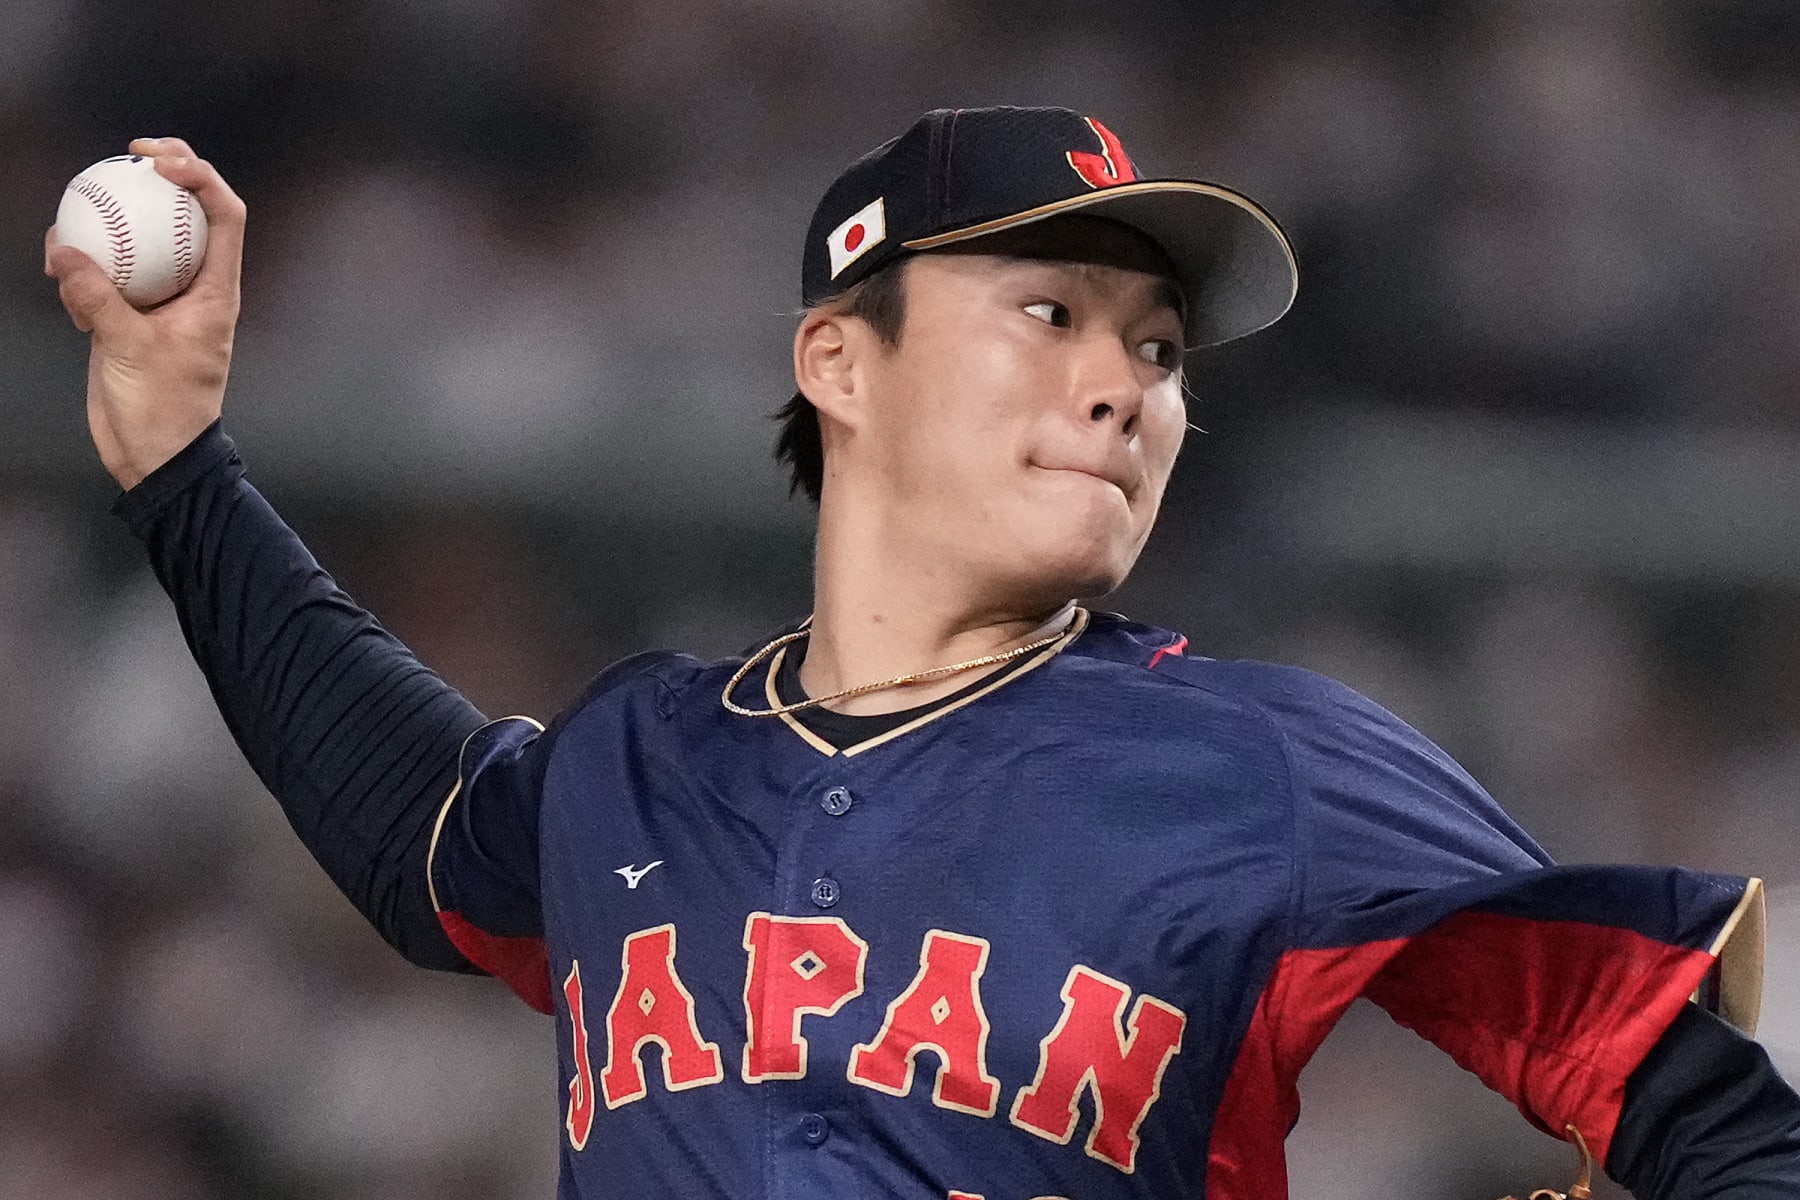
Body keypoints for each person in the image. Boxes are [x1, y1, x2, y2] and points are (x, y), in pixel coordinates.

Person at [46, 107, 1800, 1200]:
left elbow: (1702, 1113)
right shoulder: (641, 761)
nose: (1126, 385)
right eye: (1049, 313)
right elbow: (410, 824)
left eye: (1161, 347)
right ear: (842, 360)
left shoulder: (1262, 765)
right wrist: (175, 461)